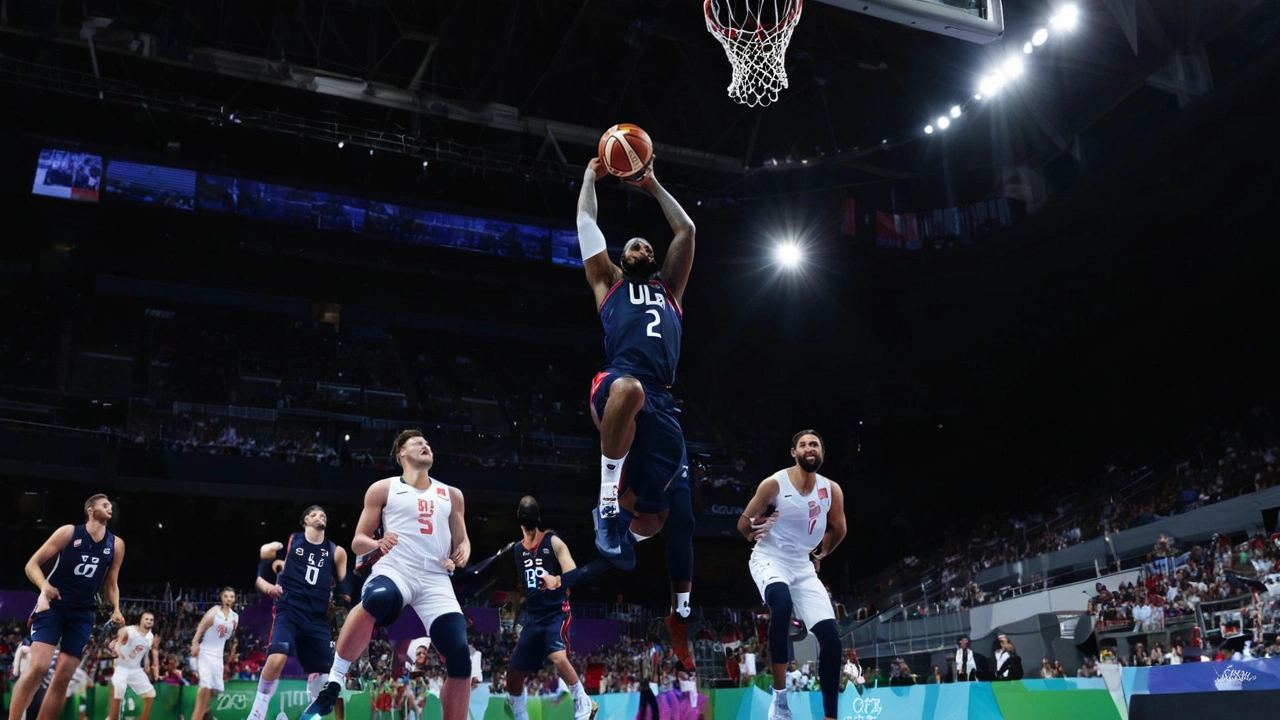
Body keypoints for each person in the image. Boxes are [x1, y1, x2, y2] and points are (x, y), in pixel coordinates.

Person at [576, 155, 699, 669]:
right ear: (621, 260)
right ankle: (606, 503)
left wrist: (651, 185)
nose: (643, 248)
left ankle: (676, 607)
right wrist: (588, 178)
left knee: (665, 516)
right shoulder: (608, 285)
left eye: (647, 245)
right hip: (618, 383)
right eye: (633, 246)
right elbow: (586, 224)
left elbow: (686, 229)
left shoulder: (671, 291)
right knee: (627, 389)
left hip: (665, 399)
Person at [304, 430, 473, 720]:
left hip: (435, 578)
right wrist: (377, 543)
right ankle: (333, 683)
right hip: (396, 568)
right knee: (379, 599)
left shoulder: (452, 495)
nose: (425, 445)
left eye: (428, 443)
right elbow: (358, 540)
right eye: (418, 443)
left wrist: (461, 553)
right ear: (401, 454)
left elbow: (463, 542)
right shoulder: (383, 488)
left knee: (459, 654)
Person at [737, 431, 847, 720]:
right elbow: (742, 524)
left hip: (802, 565)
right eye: (804, 445)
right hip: (770, 558)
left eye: (815, 444)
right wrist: (754, 528)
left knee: (831, 639)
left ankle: (830, 716)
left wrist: (820, 554)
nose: (809, 448)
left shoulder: (831, 489)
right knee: (782, 604)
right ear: (793, 452)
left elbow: (839, 527)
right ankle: (781, 700)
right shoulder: (774, 484)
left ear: (822, 452)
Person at [9, 494, 126, 720]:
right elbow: (31, 565)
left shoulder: (116, 544)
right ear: (91, 511)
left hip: (83, 613)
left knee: (64, 676)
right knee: (39, 667)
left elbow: (111, 583)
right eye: (104, 505)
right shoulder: (69, 532)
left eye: (110, 505)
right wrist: (45, 586)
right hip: (54, 606)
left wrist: (117, 608)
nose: (109, 507)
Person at [245, 505, 348, 720]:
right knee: (276, 658)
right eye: (314, 514)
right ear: (305, 521)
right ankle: (258, 712)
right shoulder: (293, 541)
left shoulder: (336, 551)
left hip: (317, 618)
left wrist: (343, 596)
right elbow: (262, 564)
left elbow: (345, 587)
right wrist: (268, 587)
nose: (320, 516)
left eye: (323, 514)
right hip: (289, 610)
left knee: (324, 674)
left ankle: (312, 713)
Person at [506, 497, 597, 720]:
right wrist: (515, 612)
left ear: (537, 518)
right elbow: (522, 588)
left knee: (557, 656)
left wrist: (556, 580)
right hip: (533, 617)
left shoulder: (553, 541)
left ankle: (581, 699)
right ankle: (520, 714)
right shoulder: (517, 550)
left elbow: (573, 574)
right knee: (513, 676)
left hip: (557, 611)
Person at [190, 587, 240, 720]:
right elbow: (201, 627)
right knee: (205, 684)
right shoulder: (214, 611)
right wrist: (194, 643)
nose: (229, 599)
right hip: (205, 652)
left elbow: (228, 638)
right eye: (226, 596)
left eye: (232, 596)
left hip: (218, 656)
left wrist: (231, 653)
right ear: (222, 598)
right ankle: (197, 715)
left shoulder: (235, 617)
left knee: (216, 688)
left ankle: (205, 711)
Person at [106, 611, 158, 720]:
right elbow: (116, 643)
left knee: (150, 695)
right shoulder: (129, 631)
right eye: (146, 619)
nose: (149, 621)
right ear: (140, 620)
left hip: (135, 669)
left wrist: (147, 664)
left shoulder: (150, 636)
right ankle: (111, 717)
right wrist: (118, 650)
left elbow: (145, 652)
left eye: (151, 620)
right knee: (117, 695)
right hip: (122, 667)